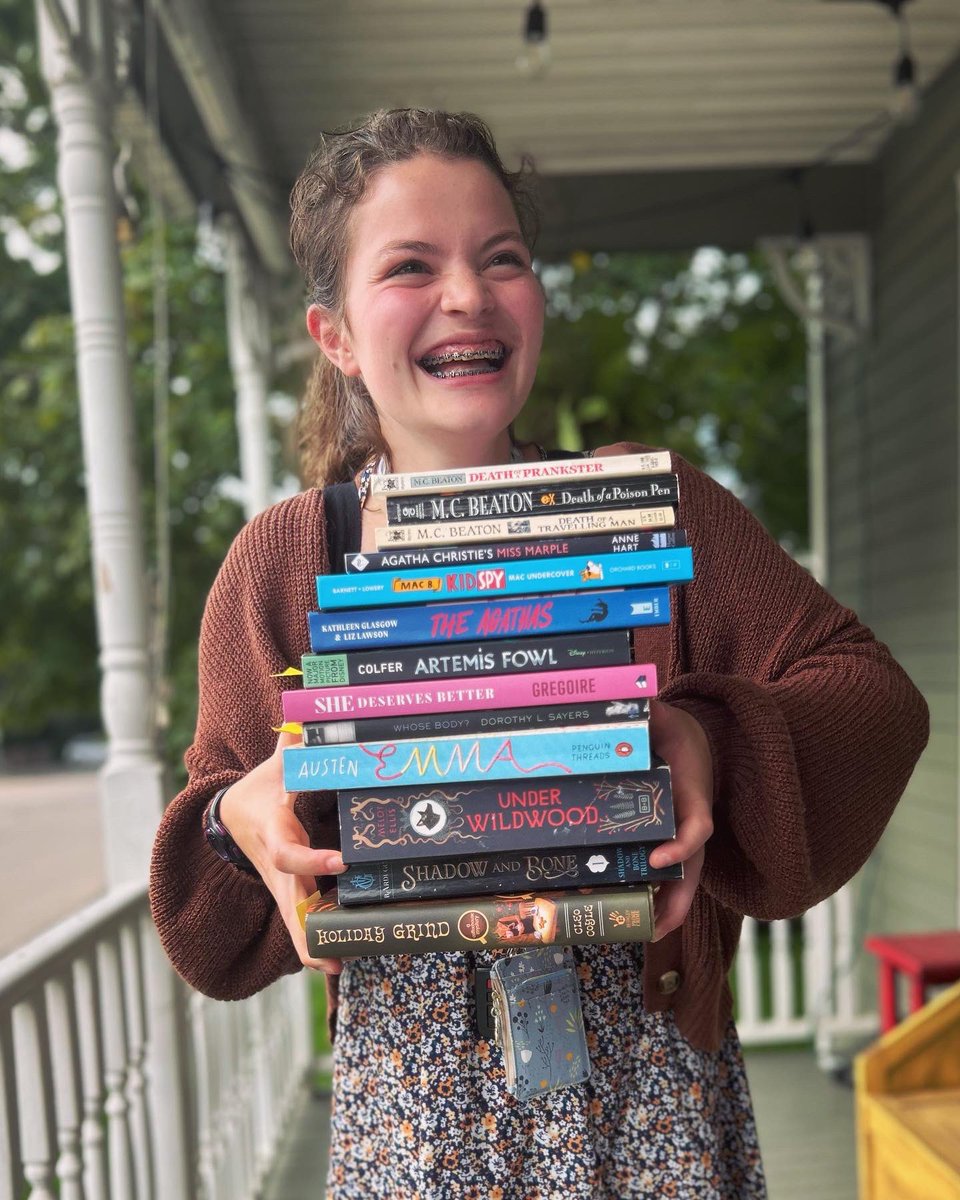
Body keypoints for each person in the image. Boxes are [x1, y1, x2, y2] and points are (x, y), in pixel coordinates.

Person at [150, 108, 928, 1199]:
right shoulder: (284, 563)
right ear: (333, 335)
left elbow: (874, 698)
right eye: (410, 266)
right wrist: (240, 820)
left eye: (501, 257)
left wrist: (707, 739)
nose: (466, 294)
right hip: (414, 1138)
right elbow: (202, 902)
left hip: (652, 1106)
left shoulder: (659, 515)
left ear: (536, 298)